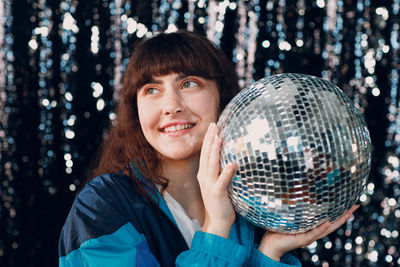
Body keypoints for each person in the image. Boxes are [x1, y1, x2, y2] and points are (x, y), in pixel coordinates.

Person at [58, 30, 359, 267]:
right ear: (135, 110)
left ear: (224, 98)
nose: (171, 106)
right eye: (151, 90)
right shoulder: (101, 207)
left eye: (189, 84)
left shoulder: (257, 206)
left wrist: (268, 253)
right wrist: (216, 227)